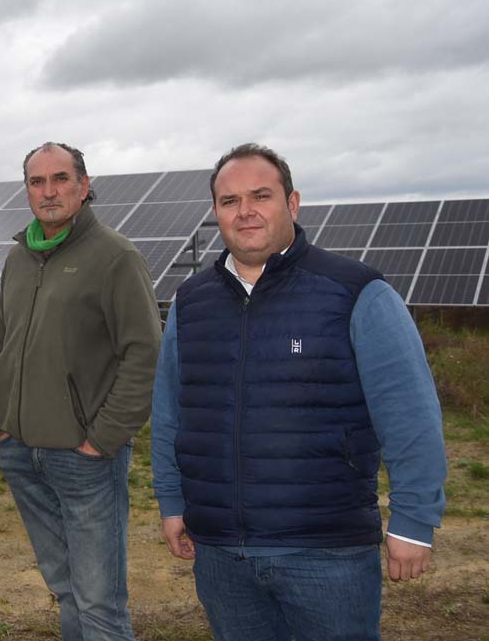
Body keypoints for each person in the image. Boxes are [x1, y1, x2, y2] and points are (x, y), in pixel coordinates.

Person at [151, 143, 447, 640]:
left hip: (326, 552)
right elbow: (171, 415)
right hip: (221, 552)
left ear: (292, 203)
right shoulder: (190, 302)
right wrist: (172, 501)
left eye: (260, 196)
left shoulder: (357, 293)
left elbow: (410, 415)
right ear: (215, 213)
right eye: (229, 201)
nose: (244, 212)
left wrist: (414, 521)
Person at [0, 142, 161, 640]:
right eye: (37, 182)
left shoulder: (115, 257)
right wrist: (1, 421)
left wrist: (102, 439)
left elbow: (146, 354)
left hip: (85, 459)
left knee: (99, 601)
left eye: (60, 179)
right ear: (27, 192)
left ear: (84, 187)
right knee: (66, 589)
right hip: (21, 451)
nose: (49, 192)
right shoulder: (19, 257)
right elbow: (0, 340)